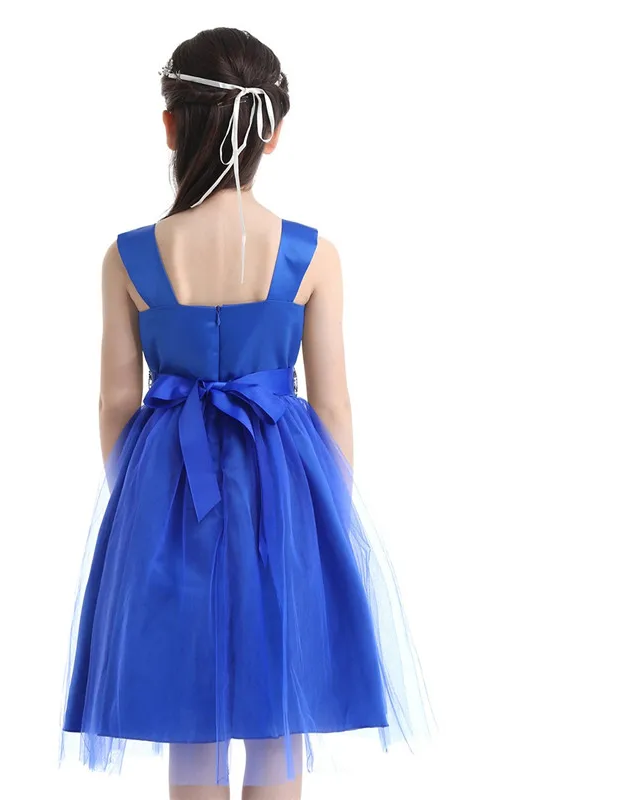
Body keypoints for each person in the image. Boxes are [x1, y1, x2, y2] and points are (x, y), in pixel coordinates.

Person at [58, 26, 434, 800]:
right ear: (272, 133)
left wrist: (143, 507)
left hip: (169, 489)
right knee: (277, 716)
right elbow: (333, 402)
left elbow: (115, 401)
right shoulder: (312, 254)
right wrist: (324, 515)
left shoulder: (129, 256)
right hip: (283, 489)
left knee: (188, 714)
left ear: (170, 125)